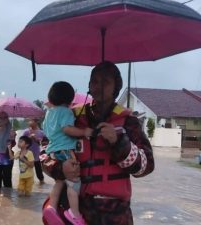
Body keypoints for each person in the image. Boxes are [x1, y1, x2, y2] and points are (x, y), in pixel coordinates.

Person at [42, 61, 155, 225]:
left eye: (106, 82)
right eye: (95, 81)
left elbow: (147, 166)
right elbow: (45, 150)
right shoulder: (72, 116)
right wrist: (59, 168)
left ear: (116, 86)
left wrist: (119, 143)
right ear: (88, 85)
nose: (99, 86)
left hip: (115, 214)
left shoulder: (128, 121)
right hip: (75, 212)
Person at [43, 81, 93, 225]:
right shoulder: (66, 111)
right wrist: (83, 131)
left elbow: (47, 131)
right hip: (65, 150)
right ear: (70, 98)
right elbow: (67, 129)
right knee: (74, 183)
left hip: (52, 150)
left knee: (59, 181)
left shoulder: (49, 113)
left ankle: (51, 207)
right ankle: (74, 214)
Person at [23, 118, 46, 184]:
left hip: (36, 154)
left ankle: (41, 182)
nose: (30, 122)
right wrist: (29, 138)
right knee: (26, 170)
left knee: (38, 170)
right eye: (29, 121)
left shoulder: (41, 132)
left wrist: (35, 138)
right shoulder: (26, 132)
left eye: (32, 120)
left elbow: (42, 143)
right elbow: (21, 142)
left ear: (36, 122)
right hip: (27, 154)